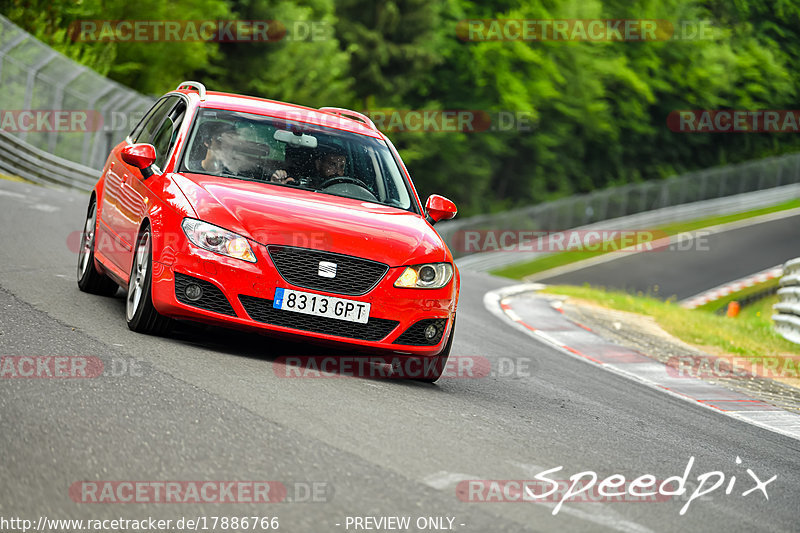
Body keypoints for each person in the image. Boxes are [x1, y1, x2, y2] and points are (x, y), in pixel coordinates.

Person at [190, 121, 292, 183]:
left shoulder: (241, 174)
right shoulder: (188, 170)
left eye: (234, 143)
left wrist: (273, 184)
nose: (229, 147)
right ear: (207, 142)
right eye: (222, 141)